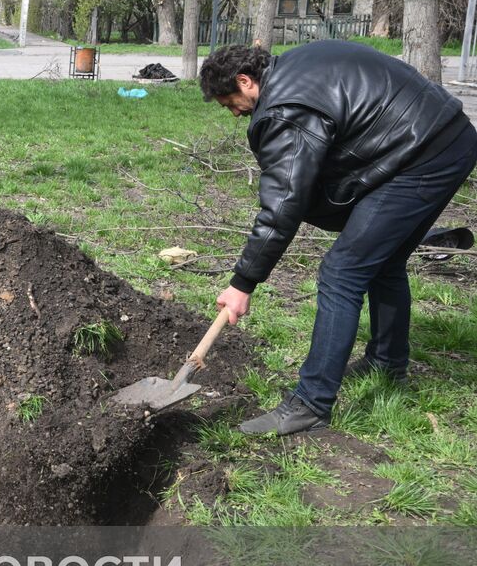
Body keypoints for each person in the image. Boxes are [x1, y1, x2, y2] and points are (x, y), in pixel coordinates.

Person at [200, 41, 477, 435]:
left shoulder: (285, 110)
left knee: (341, 272)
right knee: (383, 260)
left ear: (246, 81)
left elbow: (283, 206)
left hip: (422, 153)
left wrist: (242, 283)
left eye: (230, 102)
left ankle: (311, 404)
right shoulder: (294, 64)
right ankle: (387, 361)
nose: (234, 113)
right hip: (448, 136)